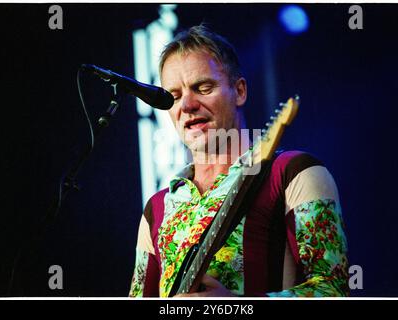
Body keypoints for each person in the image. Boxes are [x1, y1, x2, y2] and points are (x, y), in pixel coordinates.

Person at [129, 25, 349, 297]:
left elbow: (334, 290)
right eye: (173, 97)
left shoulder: (294, 173)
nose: (186, 105)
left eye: (203, 87)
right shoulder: (157, 208)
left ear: (240, 91)